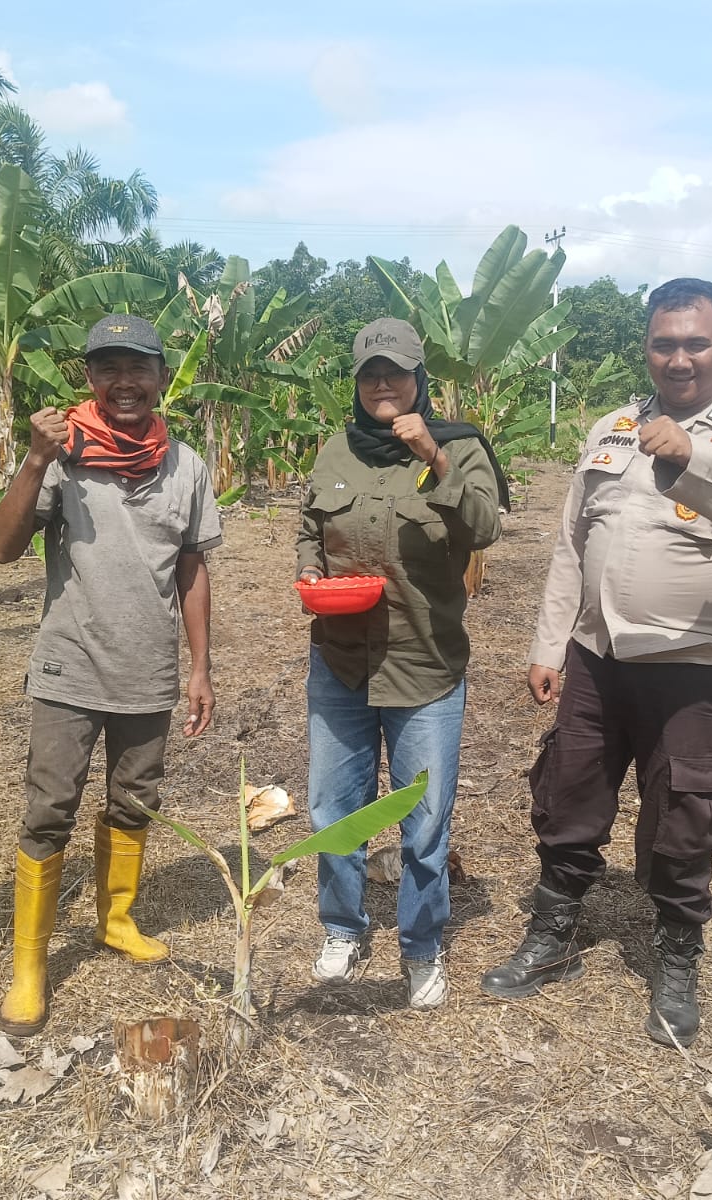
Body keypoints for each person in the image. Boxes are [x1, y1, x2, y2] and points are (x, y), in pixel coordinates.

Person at [480, 278, 712, 1048]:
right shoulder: (612, 428)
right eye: (664, 344)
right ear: (647, 348)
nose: (679, 359)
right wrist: (549, 644)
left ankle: (677, 961)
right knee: (568, 797)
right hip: (597, 659)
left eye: (696, 344)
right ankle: (553, 937)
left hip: (691, 668)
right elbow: (572, 544)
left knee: (684, 819)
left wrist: (695, 458)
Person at [0, 314, 221, 1037]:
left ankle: (115, 919)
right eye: (108, 368)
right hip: (71, 665)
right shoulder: (62, 455)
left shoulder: (186, 466)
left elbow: (192, 568)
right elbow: (2, 548)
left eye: (138, 367)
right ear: (89, 378)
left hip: (147, 669)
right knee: (50, 808)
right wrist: (34, 460)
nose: (124, 382)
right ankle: (30, 965)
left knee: (136, 800)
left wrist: (201, 667)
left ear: (160, 378)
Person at [297, 317, 508, 1010]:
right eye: (369, 374)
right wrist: (310, 571)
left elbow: (484, 528)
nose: (381, 383)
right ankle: (343, 929)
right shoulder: (336, 449)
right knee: (335, 809)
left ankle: (421, 947)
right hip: (341, 660)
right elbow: (310, 527)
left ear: (419, 377)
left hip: (425, 665)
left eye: (394, 371)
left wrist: (435, 457)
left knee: (424, 821)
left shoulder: (459, 445)